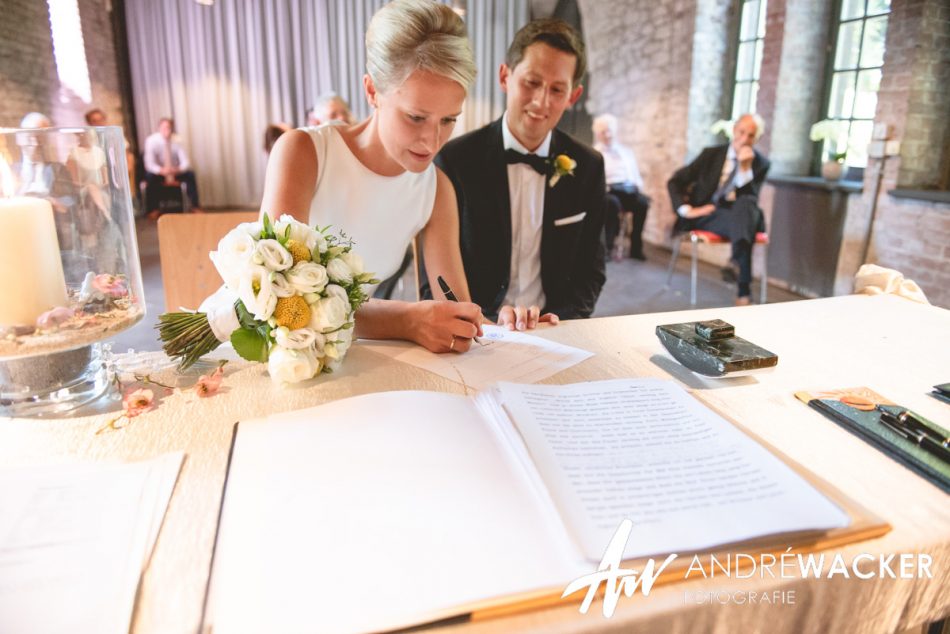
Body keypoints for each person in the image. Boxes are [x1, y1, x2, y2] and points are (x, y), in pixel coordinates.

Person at [261, 0, 491, 354]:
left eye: (448, 120)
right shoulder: (303, 153)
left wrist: (509, 324)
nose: (432, 142)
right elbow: (280, 295)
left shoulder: (436, 190)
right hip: (261, 339)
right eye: (416, 117)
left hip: (342, 352)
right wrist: (405, 321)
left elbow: (459, 309)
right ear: (372, 91)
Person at [435, 18, 606, 330]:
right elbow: (436, 277)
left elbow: (590, 272)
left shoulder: (589, 166)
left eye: (557, 90)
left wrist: (560, 323)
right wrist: (478, 326)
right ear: (505, 76)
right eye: (531, 82)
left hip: (554, 330)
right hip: (476, 330)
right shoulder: (455, 161)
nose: (541, 101)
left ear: (573, 97)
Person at [667, 113, 770, 306]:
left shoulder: (761, 164)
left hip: (740, 214)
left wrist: (745, 167)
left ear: (757, 139)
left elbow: (750, 197)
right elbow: (675, 181)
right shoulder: (710, 154)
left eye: (751, 136)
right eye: (741, 132)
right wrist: (686, 210)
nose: (744, 139)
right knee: (744, 224)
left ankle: (738, 272)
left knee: (745, 204)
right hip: (708, 214)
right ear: (733, 130)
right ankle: (742, 290)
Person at [592, 113, 650, 261]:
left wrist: (637, 187)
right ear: (598, 134)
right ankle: (608, 247)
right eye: (603, 132)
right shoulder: (595, 153)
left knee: (643, 203)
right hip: (609, 190)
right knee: (612, 204)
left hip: (628, 190)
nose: (608, 135)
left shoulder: (626, 152)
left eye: (609, 130)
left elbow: (635, 175)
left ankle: (636, 246)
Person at [143, 117, 202, 218]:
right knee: (150, 177)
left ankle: (195, 206)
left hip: (174, 171)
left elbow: (186, 162)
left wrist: (177, 170)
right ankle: (153, 209)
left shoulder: (177, 140)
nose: (167, 130)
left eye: (169, 128)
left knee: (190, 174)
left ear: (172, 129)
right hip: (159, 173)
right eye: (164, 128)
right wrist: (161, 170)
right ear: (159, 128)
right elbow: (149, 164)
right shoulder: (151, 141)